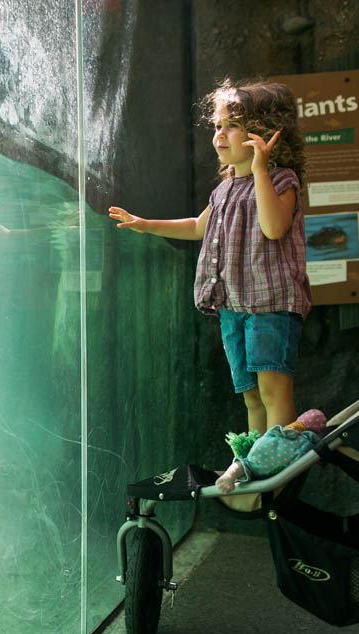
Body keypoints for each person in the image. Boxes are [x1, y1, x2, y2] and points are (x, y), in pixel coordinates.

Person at [108, 78, 311, 435]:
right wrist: (145, 225)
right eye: (218, 126)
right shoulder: (223, 189)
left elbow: (274, 227)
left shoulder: (282, 181)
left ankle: (279, 467)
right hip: (233, 306)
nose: (220, 135)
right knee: (250, 396)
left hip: (271, 304)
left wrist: (261, 170)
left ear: (263, 133)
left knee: (272, 390)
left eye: (232, 126)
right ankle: (254, 464)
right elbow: (198, 227)